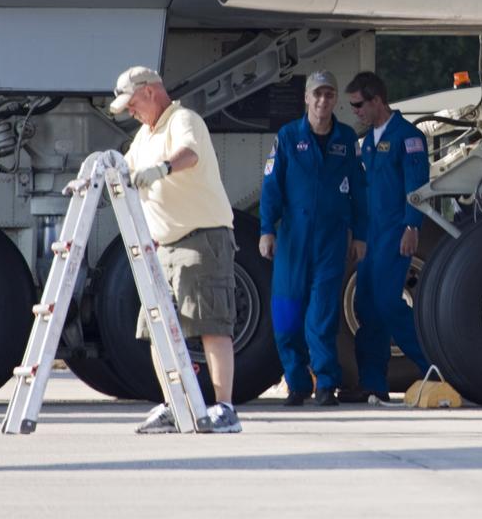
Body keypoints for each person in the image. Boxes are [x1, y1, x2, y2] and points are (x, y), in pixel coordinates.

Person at [109, 65, 241, 434]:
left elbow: (190, 154)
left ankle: (225, 408)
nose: (130, 111)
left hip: (201, 239)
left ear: (150, 91)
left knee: (212, 324)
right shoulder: (144, 135)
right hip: (162, 245)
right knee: (159, 328)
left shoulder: (183, 119)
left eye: (132, 103)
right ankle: (174, 404)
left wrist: (162, 169)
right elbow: (125, 169)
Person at [259, 70, 367, 406]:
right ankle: (297, 383)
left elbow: (359, 191)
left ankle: (325, 384)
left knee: (321, 317)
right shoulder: (289, 137)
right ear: (306, 98)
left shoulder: (346, 139)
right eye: (317, 94)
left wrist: (360, 235)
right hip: (292, 241)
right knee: (288, 319)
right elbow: (271, 187)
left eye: (329, 94)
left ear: (335, 99)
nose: (323, 101)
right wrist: (266, 229)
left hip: (330, 241)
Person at [342, 71, 431, 402]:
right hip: (372, 236)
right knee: (366, 307)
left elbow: (417, 185)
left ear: (377, 100)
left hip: (395, 232)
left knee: (387, 303)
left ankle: (434, 367)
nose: (356, 112)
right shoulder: (367, 141)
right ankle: (372, 383)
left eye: (359, 105)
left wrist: (413, 225)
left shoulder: (408, 137)